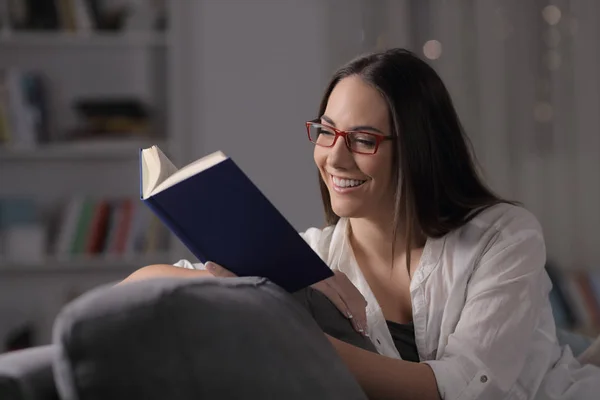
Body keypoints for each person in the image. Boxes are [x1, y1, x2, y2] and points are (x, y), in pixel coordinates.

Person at [122, 48, 600, 399]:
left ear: (417, 148)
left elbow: (459, 387)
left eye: (364, 139)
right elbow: (133, 291)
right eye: (326, 132)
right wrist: (232, 291)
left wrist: (288, 336)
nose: (334, 157)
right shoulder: (314, 259)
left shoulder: (504, 234)